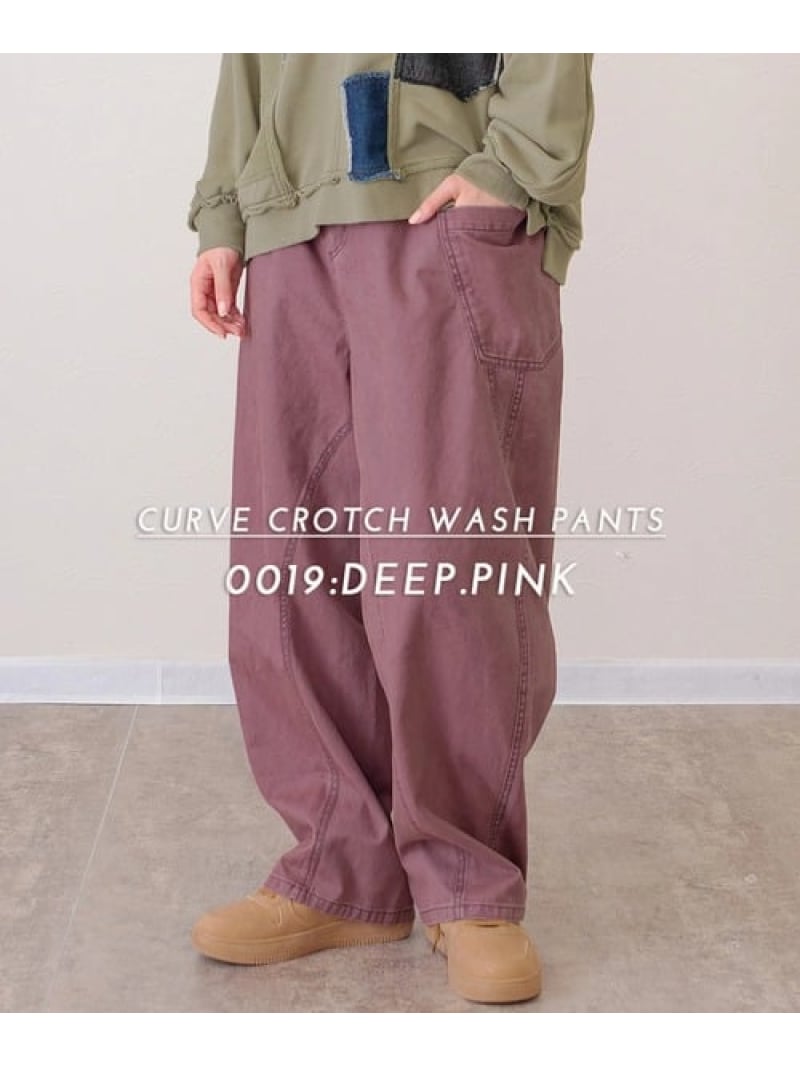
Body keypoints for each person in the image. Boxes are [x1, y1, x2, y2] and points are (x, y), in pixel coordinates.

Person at [187, 53, 594, 1005]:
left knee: (445, 570)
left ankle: (468, 881)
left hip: (439, 200)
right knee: (293, 570)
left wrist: (512, 167)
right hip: (290, 220)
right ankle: (342, 871)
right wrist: (226, 213)